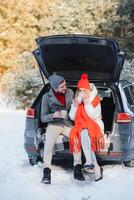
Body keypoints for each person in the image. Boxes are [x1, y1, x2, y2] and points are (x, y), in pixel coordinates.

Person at [40, 74, 84, 184]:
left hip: (67, 123)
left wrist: (75, 106)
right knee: (49, 143)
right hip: (54, 124)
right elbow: (42, 118)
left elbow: (74, 109)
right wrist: (52, 116)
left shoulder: (70, 92)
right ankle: (46, 171)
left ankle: (77, 168)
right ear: (55, 88)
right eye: (62, 87)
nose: (65, 87)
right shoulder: (46, 97)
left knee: (76, 138)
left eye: (65, 85)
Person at [69, 73, 105, 181]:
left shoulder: (96, 100)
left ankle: (89, 161)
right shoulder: (76, 100)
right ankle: (95, 167)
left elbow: (93, 116)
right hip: (81, 125)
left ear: (89, 90)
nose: (83, 92)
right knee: (83, 132)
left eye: (85, 90)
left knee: (85, 132)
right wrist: (75, 106)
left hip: (95, 124)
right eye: (81, 90)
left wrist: (86, 103)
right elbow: (71, 117)